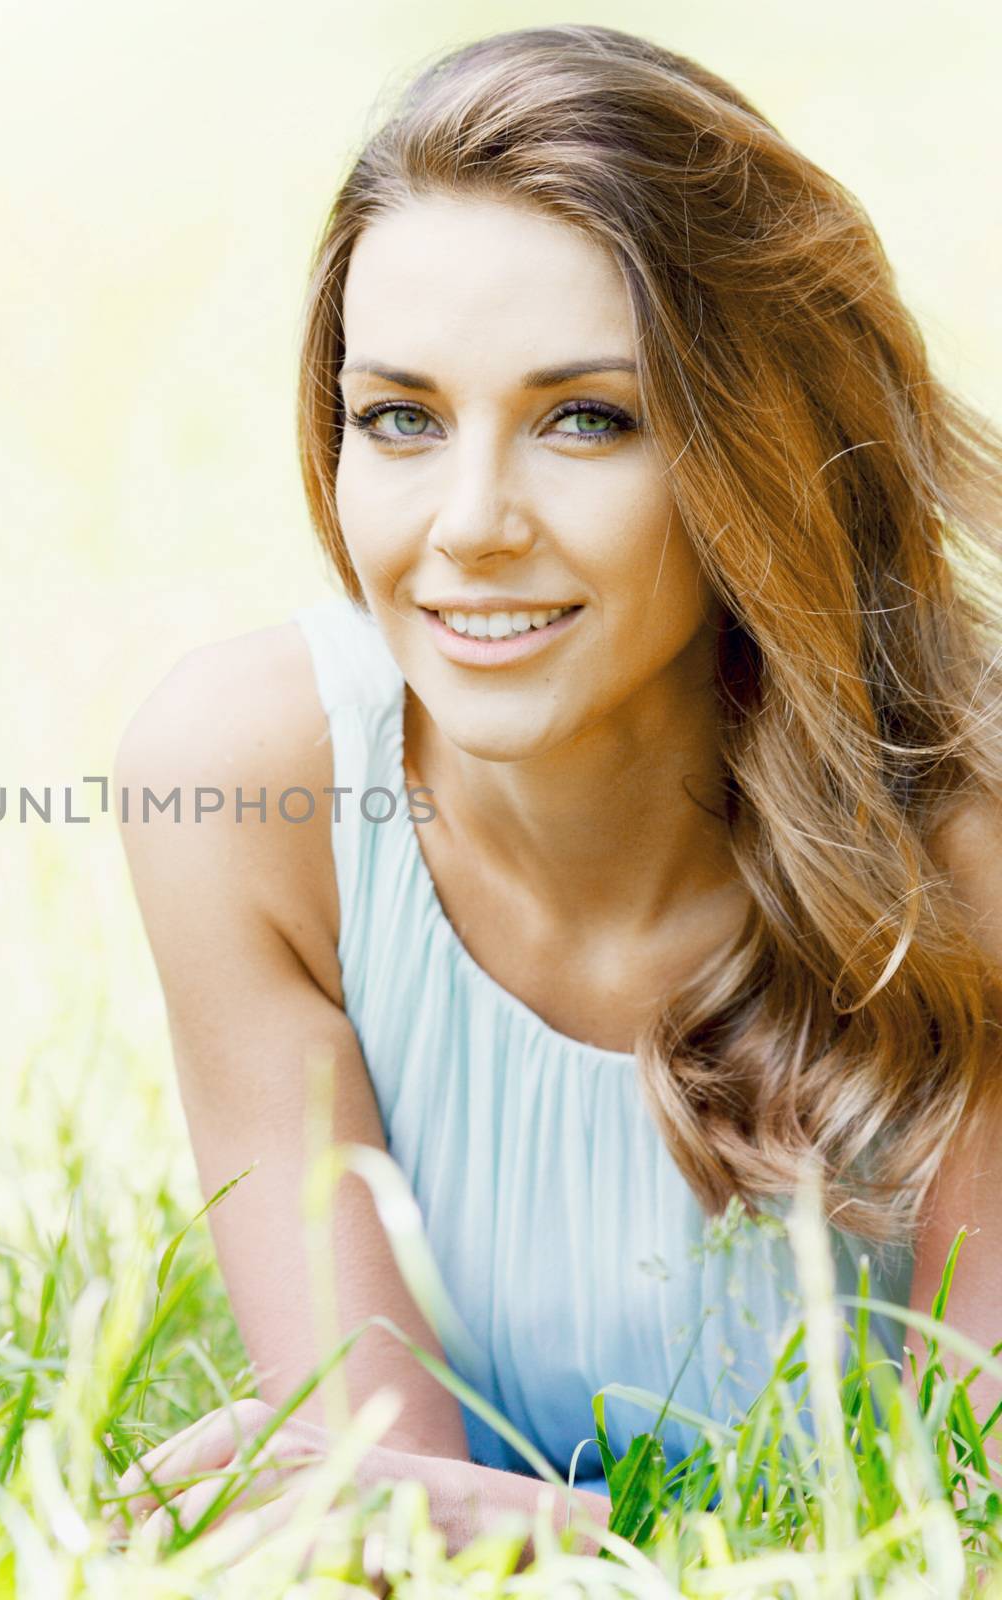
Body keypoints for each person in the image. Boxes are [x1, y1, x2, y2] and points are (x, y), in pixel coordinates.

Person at [112, 22, 1002, 1559]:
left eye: (587, 417)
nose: (467, 525)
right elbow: (383, 1518)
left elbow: (969, 1528)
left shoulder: (963, 837)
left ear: (755, 450)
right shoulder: (250, 794)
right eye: (401, 417)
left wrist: (543, 1543)